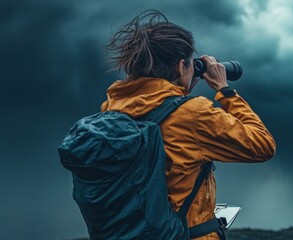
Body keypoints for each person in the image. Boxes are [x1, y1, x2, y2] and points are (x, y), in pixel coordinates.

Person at [100, 10, 276, 240]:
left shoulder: (112, 109)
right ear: (181, 66)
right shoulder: (193, 114)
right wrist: (225, 91)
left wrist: (180, 89)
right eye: (190, 64)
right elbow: (263, 145)